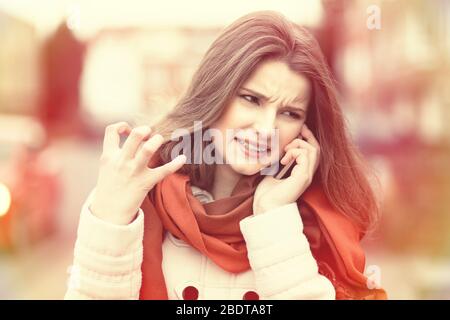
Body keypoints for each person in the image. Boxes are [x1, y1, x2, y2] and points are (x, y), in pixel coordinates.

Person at [65, 11, 387, 300]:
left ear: (307, 130)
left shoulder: (320, 221)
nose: (265, 129)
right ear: (215, 93)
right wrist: (110, 219)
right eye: (251, 99)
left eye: (289, 113)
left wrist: (273, 214)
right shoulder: (141, 194)